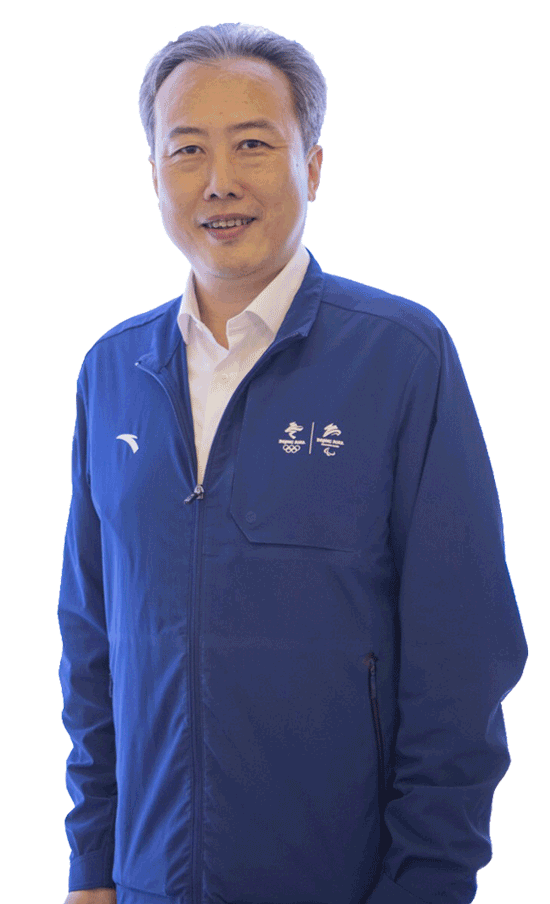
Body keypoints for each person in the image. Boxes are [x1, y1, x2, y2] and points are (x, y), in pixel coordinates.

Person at [58, 23, 528, 904]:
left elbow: (462, 662)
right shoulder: (112, 372)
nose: (219, 181)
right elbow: (92, 648)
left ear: (312, 166)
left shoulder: (401, 357)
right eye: (187, 149)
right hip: (145, 882)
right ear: (154, 173)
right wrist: (92, 868)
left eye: (253, 144)